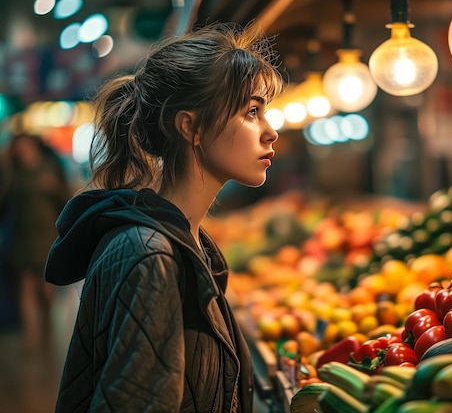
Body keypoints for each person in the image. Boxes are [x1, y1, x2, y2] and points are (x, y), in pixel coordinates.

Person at [44, 22, 284, 413]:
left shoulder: (185, 240)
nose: (270, 132)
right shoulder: (149, 254)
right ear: (190, 126)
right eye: (252, 111)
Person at [3, 133, 70, 350]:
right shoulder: (12, 172)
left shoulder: (50, 166)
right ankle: (33, 340)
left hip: (47, 237)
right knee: (26, 287)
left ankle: (47, 330)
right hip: (22, 237)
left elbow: (67, 199)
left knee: (46, 289)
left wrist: (55, 188)